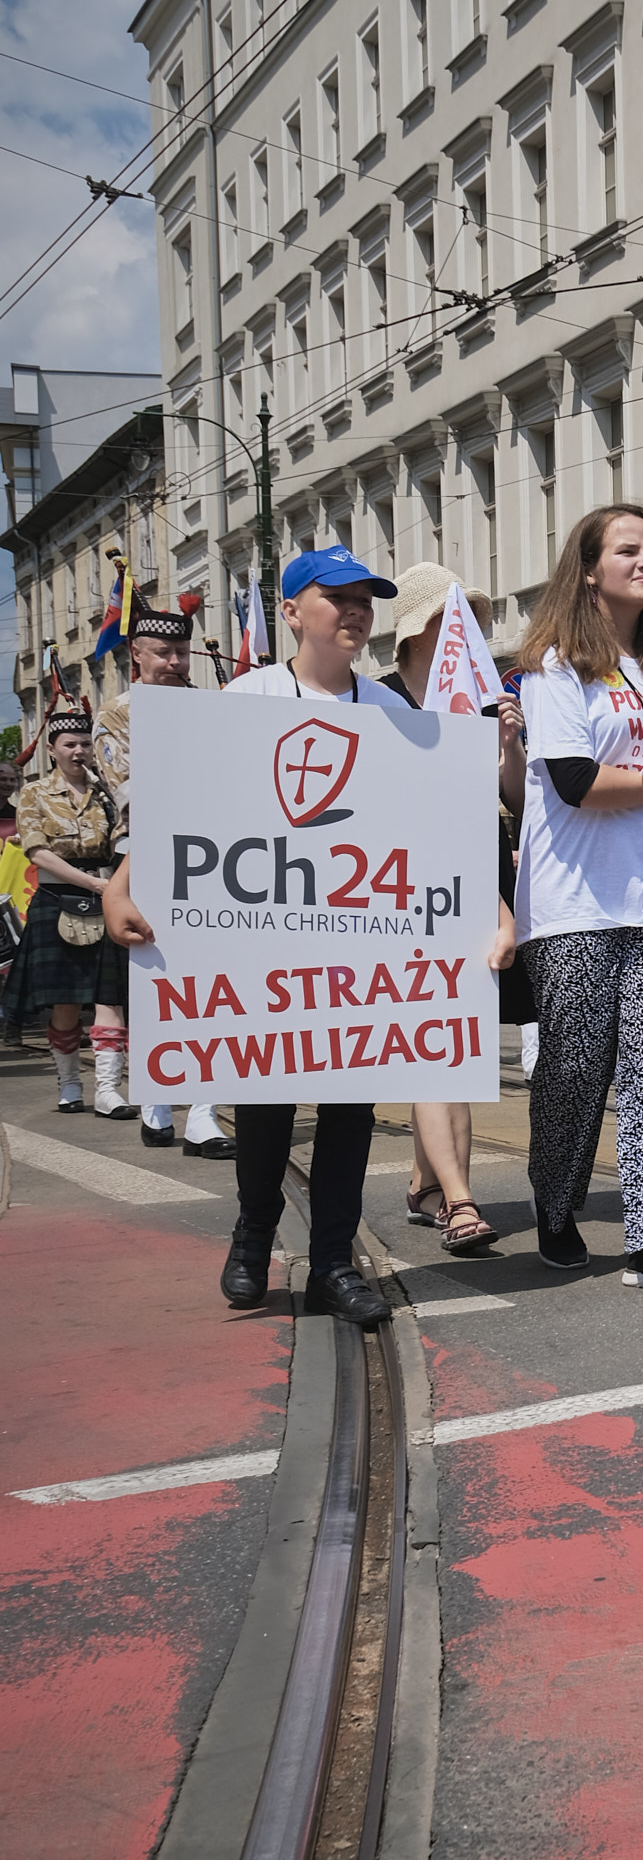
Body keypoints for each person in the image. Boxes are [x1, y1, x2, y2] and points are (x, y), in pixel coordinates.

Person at [518, 505, 643, 1296]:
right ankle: (557, 1203)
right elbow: (573, 784)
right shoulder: (555, 665)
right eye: (628, 550)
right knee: (572, 1067)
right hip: (573, 902)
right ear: (590, 566)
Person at [220, 546, 415, 1326]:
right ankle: (253, 1234)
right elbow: (192, 809)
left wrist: (489, 910)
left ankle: (334, 1260)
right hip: (267, 935)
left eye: (365, 598)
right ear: (292, 611)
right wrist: (132, 889)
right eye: (337, 597)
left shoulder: (392, 711)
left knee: (349, 1104)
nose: (356, 610)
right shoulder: (247, 696)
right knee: (264, 1099)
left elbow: (426, 828)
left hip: (358, 941)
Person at [378, 565, 523, 1252]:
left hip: (476, 867)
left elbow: (517, 802)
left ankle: (425, 1182)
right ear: (416, 633)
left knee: (444, 1035)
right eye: (449, 620)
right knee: (440, 1045)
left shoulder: (485, 702)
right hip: (402, 883)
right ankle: (460, 1200)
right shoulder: (374, 703)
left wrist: (509, 748)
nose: (466, 633)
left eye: (469, 620)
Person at [91, 604, 235, 1158]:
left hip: (215, 860)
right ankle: (156, 1103)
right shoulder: (117, 716)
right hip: (146, 858)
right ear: (138, 656)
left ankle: (203, 1114)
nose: (175, 663)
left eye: (181, 653)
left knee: (216, 990)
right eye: (163, 653)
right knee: (160, 985)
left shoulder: (211, 707)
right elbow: (133, 791)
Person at [4, 708, 134, 1117]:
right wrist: (96, 884)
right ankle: (70, 1082)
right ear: (52, 749)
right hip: (58, 900)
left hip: (108, 899)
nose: (79, 752)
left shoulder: (110, 795)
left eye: (84, 744)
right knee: (64, 1003)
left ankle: (109, 1089)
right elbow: (38, 852)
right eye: (70, 745)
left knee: (108, 997)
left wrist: (114, 886)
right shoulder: (34, 793)